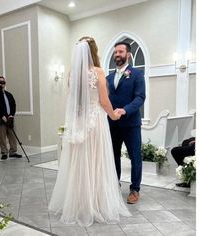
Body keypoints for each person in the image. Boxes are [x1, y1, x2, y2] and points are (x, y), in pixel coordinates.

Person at [48, 36, 131, 226]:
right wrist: (113, 115)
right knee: (97, 161)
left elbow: (73, 102)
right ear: (94, 51)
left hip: (79, 122)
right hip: (96, 123)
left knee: (80, 163)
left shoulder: (72, 74)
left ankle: (79, 204)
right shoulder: (98, 71)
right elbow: (103, 100)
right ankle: (96, 203)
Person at [106, 41, 146, 204]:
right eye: (115, 52)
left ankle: (135, 189)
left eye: (120, 52)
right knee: (113, 156)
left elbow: (140, 97)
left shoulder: (136, 74)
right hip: (112, 124)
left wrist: (125, 110)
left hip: (131, 124)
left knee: (135, 157)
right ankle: (115, 185)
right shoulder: (108, 77)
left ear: (128, 54)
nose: (117, 55)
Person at [0, 76, 22, 160]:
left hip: (10, 118)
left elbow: (13, 105)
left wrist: (11, 115)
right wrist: (2, 116)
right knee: (2, 136)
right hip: (0, 118)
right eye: (0, 82)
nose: (2, 84)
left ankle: (13, 152)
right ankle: (4, 152)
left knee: (12, 135)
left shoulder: (9, 94)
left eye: (3, 82)